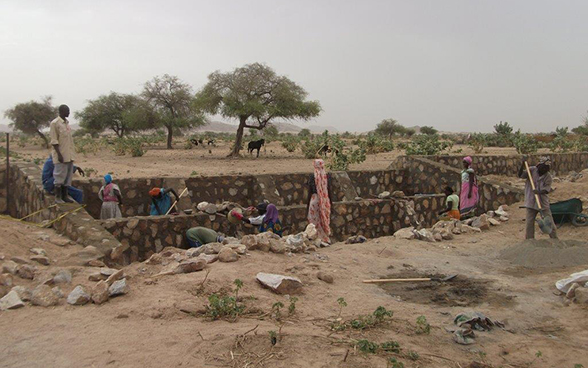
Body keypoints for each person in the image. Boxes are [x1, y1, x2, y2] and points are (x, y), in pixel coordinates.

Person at [518, 156, 558, 239]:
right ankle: (529, 241)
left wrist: (538, 192)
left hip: (543, 203)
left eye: (546, 168)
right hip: (531, 202)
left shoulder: (548, 177)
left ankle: (555, 239)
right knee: (529, 223)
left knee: (550, 222)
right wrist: (522, 164)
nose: (544, 170)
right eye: (543, 168)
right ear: (538, 166)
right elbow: (520, 175)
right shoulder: (532, 170)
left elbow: (547, 190)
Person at [49, 104, 77, 204]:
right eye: (67, 111)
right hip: (61, 155)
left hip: (69, 155)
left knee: (67, 177)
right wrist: (59, 154)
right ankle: (58, 197)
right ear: (61, 111)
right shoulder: (55, 123)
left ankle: (65, 196)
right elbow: (54, 141)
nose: (69, 113)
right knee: (59, 176)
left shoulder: (67, 124)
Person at [307, 159, 333, 243]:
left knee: (314, 220)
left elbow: (310, 191)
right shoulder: (326, 176)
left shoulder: (312, 176)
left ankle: (315, 237)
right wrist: (330, 202)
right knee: (323, 219)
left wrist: (307, 205)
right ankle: (324, 238)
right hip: (324, 200)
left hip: (314, 200)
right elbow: (329, 190)